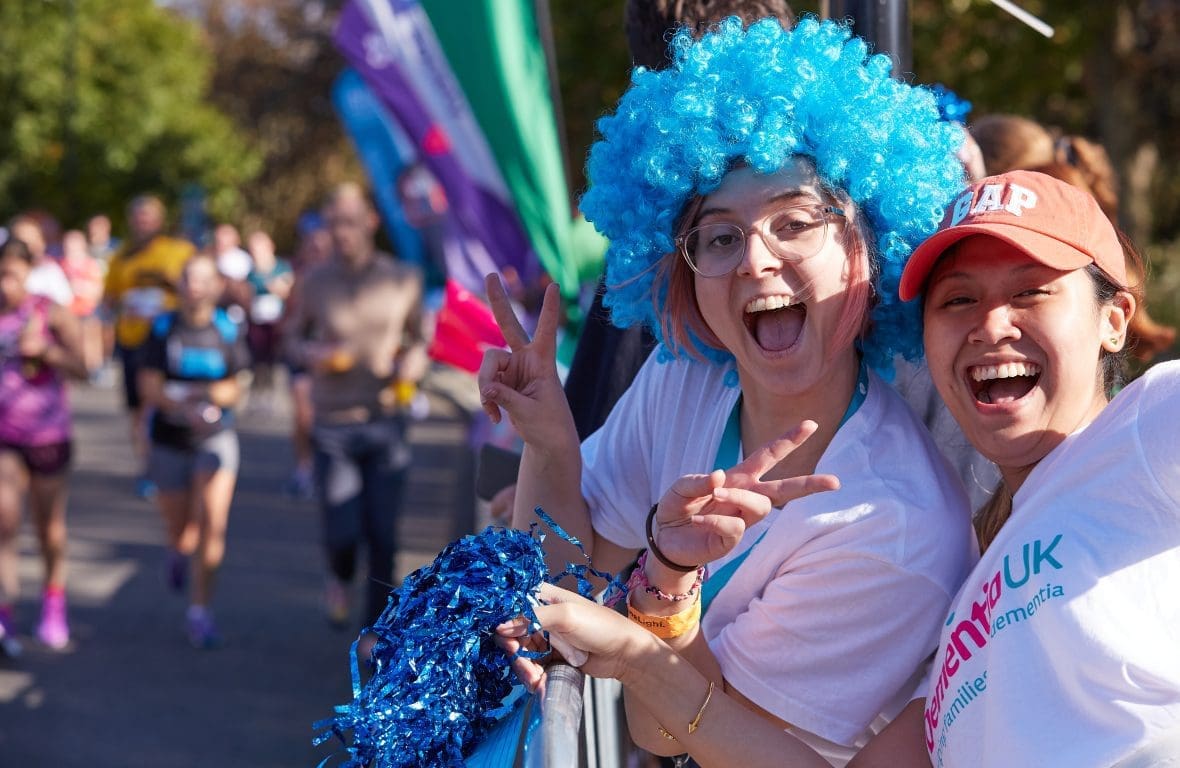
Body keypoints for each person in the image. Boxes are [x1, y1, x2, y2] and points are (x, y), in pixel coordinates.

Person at [502, 171, 1180, 767]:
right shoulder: (978, 589)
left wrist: (643, 634)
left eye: (1031, 293)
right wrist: (650, 611)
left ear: (1114, 318)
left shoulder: (1142, 434)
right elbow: (673, 730)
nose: (992, 324)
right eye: (958, 300)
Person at [481, 18, 975, 765]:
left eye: (796, 221)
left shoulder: (892, 522)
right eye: (719, 236)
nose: (755, 259)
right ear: (686, 273)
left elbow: (668, 730)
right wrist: (548, 439)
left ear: (869, 247)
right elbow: (563, 577)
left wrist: (667, 581)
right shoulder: (683, 379)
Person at [284, 183, 428, 629]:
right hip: (332, 425)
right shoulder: (314, 282)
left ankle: (375, 632)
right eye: (333, 224)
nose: (340, 233)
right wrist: (309, 355)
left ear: (371, 222)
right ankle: (339, 574)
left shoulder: (403, 277)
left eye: (349, 222)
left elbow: (422, 339)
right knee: (342, 532)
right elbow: (291, 336)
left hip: (386, 419)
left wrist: (412, 365)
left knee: (383, 535)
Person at [138, 252, 250, 648]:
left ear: (216, 286)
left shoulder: (227, 328)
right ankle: (176, 551)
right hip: (170, 440)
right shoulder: (163, 328)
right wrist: (182, 405)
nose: (195, 285)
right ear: (180, 285)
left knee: (211, 526)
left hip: (216, 438)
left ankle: (199, 612)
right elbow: (148, 387)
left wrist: (208, 396)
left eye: (203, 278)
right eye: (188, 278)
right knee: (181, 529)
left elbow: (238, 385)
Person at [0, 236, 89, 654]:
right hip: (5, 436)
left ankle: (54, 604)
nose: (4, 285)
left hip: (48, 434)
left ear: (27, 273)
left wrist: (47, 351)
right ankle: (4, 614)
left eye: (10, 276)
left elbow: (84, 367)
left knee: (48, 528)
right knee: (4, 521)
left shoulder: (49, 312)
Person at [103, 195, 196, 498]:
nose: (143, 222)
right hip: (132, 341)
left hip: (168, 340)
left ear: (160, 220)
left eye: (149, 217)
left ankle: (179, 463)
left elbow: (199, 285)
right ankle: (149, 465)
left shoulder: (178, 251)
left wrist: (168, 291)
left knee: (160, 403)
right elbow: (109, 298)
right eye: (138, 217)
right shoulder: (121, 256)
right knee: (138, 409)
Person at [244, 229, 293, 408]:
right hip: (256, 321)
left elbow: (288, 288)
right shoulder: (250, 272)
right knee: (257, 358)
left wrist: (278, 288)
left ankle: (273, 395)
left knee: (275, 359)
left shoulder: (282, 266)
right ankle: (257, 395)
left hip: (277, 322)